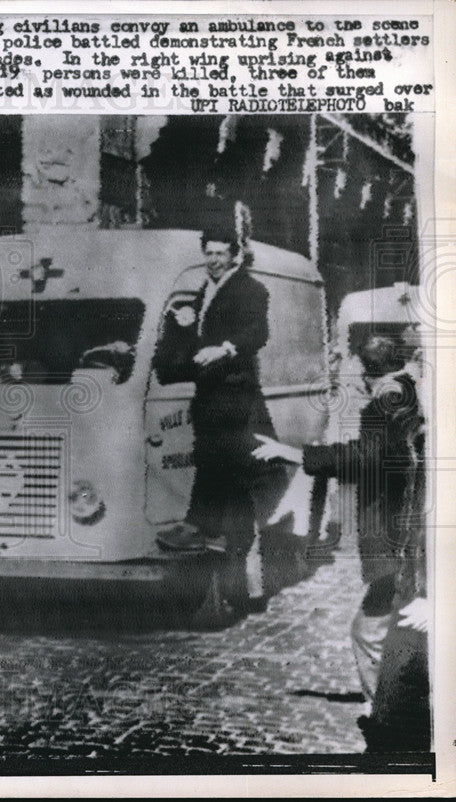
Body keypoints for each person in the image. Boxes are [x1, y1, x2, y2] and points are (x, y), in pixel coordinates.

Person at [253, 332, 427, 750]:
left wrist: (296, 454)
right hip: (406, 539)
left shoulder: (386, 400)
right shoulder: (406, 391)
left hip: (397, 541)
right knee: (391, 629)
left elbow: (365, 455)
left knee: (370, 632)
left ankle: (389, 718)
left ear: (364, 373)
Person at [154, 225, 281, 612]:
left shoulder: (250, 290)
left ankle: (231, 574)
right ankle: (237, 588)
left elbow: (257, 332)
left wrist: (224, 349)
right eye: (208, 253)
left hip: (235, 400)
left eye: (220, 253)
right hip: (210, 399)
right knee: (224, 481)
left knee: (229, 482)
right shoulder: (201, 293)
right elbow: (188, 340)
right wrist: (179, 331)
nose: (213, 260)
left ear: (234, 256)